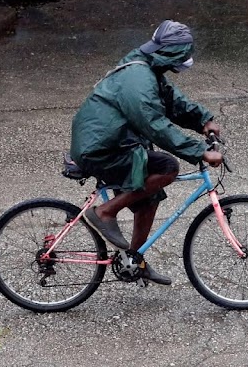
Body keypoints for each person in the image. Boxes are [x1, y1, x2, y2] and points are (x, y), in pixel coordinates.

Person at [69, 20, 225, 285]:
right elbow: (153, 123)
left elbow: (170, 99)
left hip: (116, 143)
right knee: (167, 167)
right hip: (102, 149)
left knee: (150, 198)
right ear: (171, 54)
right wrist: (199, 150)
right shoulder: (137, 78)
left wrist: (203, 120)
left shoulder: (147, 67)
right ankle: (104, 212)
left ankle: (134, 260)